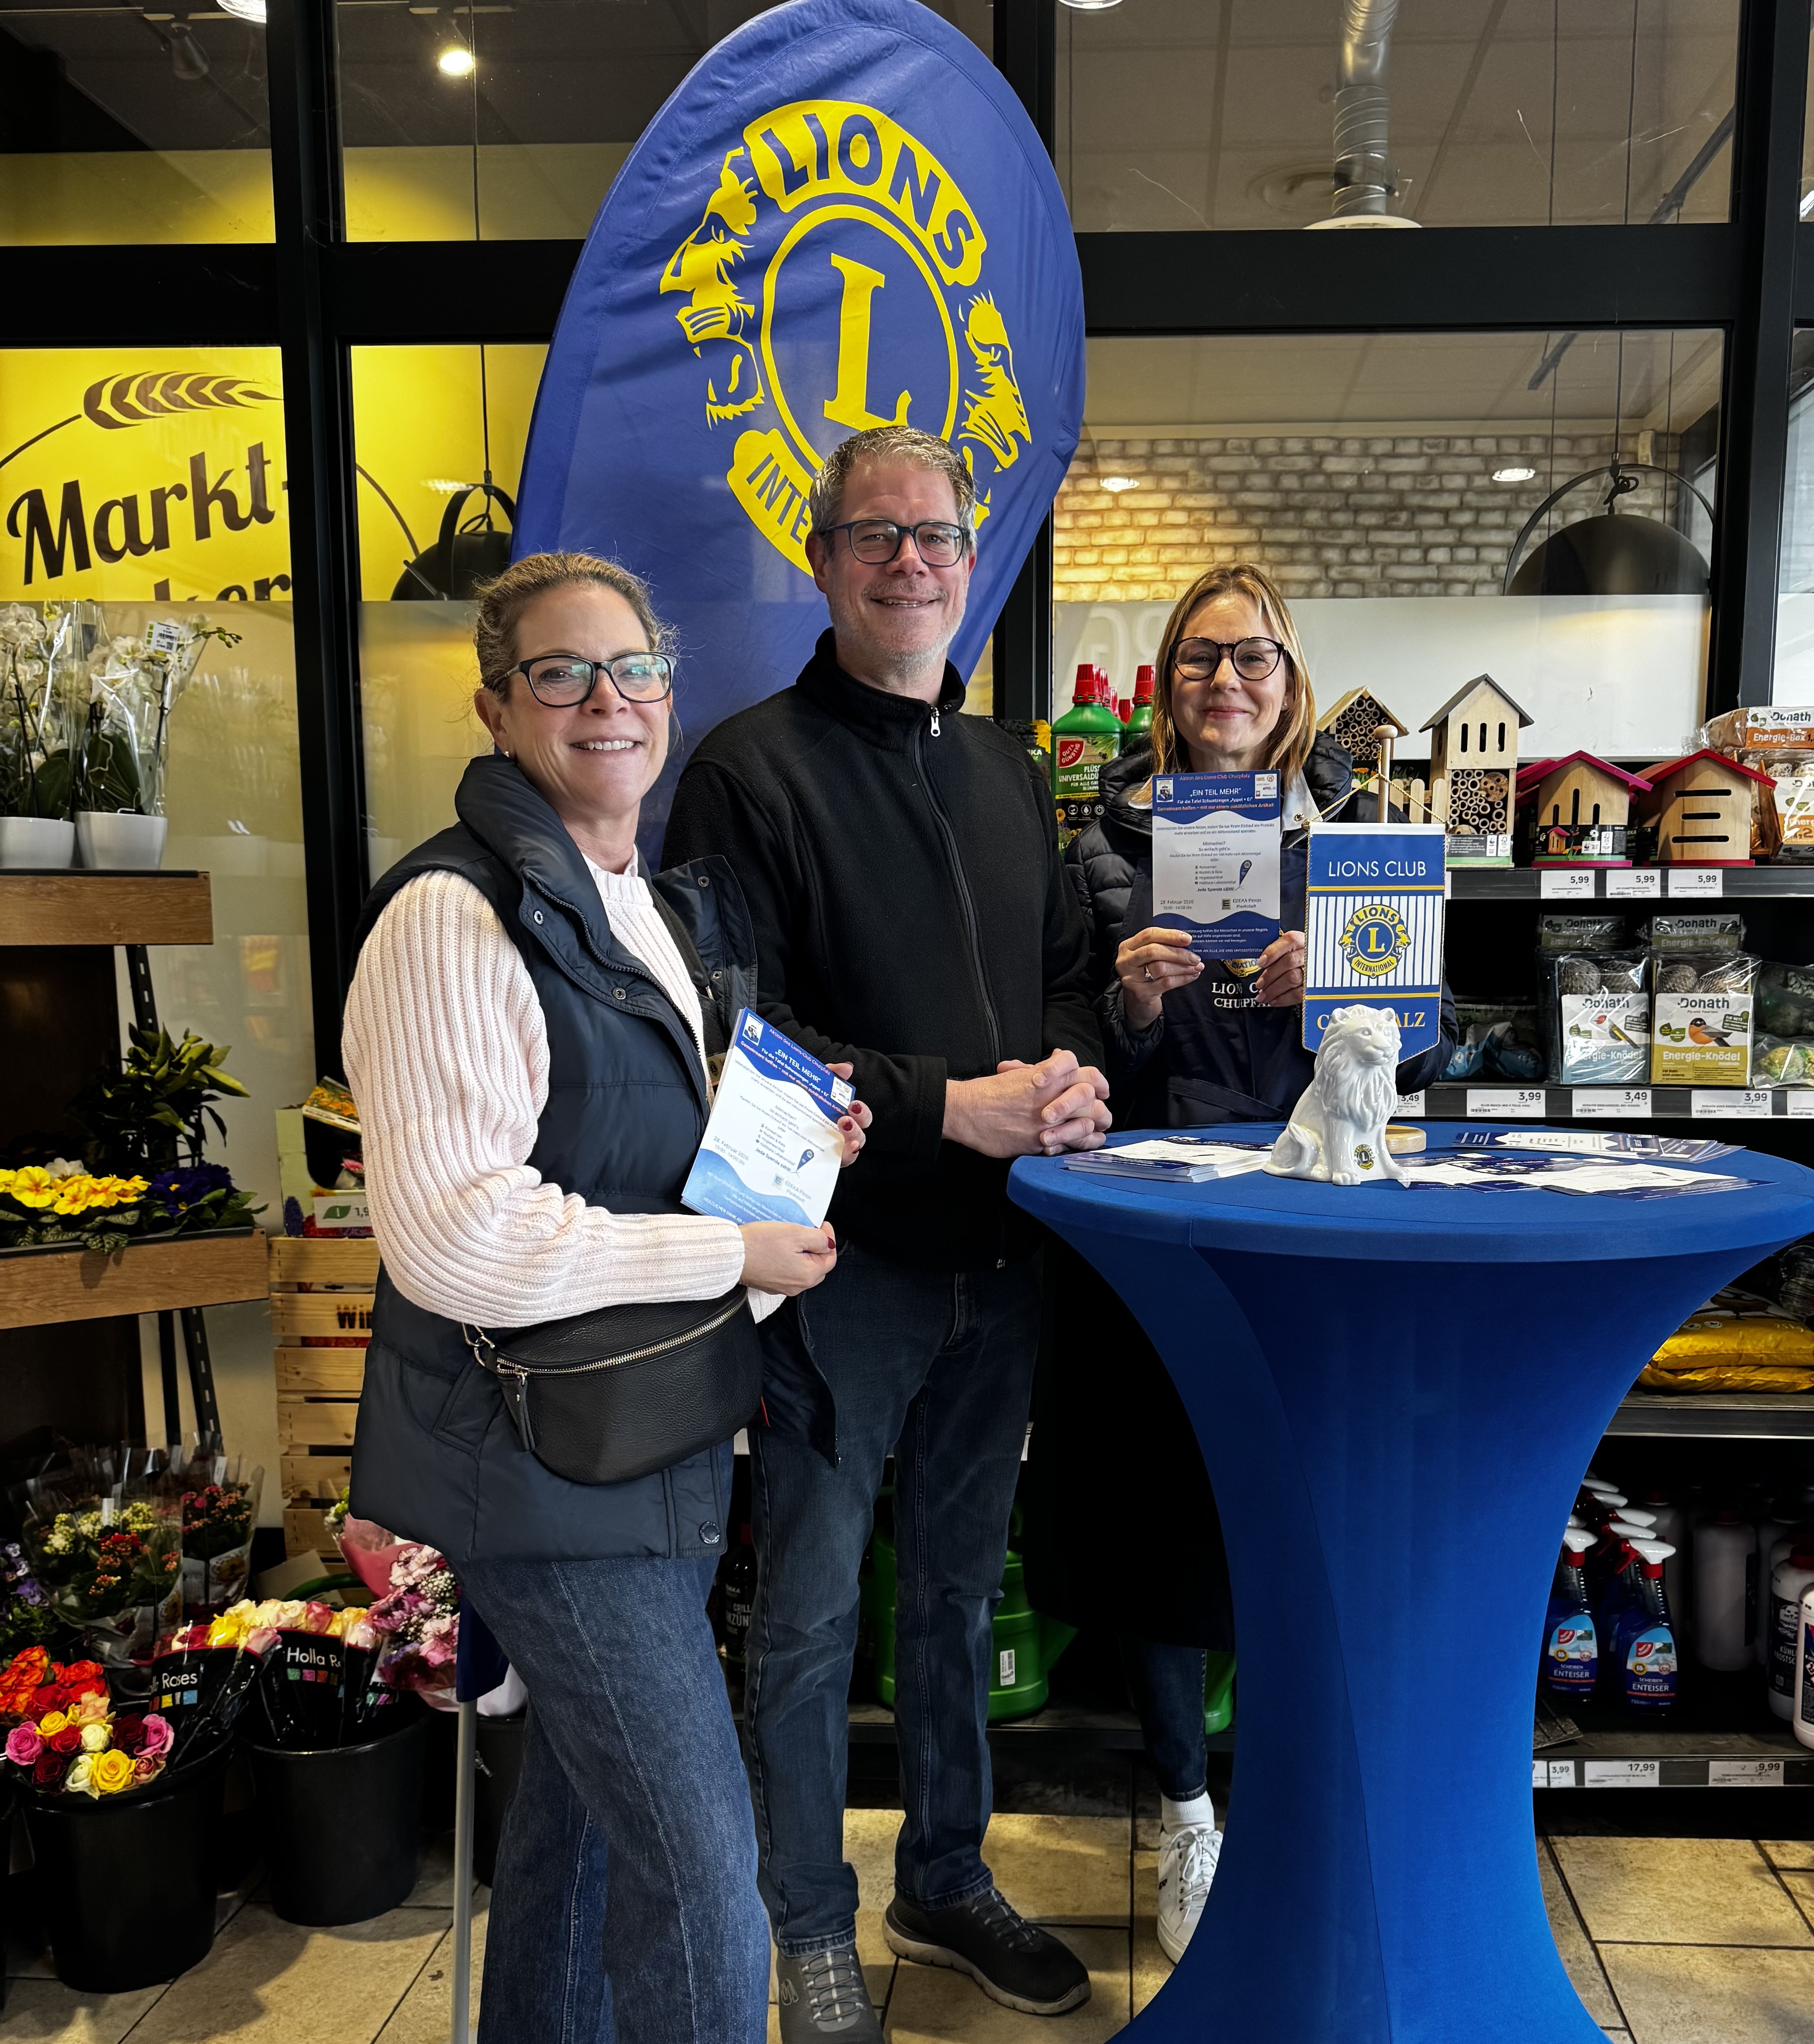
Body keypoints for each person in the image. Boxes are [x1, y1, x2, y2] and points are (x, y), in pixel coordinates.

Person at [341, 552, 872, 2044]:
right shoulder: (454, 920)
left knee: (582, 1844)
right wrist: (729, 1256)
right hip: (541, 1475)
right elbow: (455, 1238)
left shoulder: (631, 898)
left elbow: (637, 1149)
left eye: (630, 668)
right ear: (495, 707)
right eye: (561, 674)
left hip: (638, 1442)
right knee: (706, 1873)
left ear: (667, 688)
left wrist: (786, 1146)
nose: (606, 701)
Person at [663, 424, 1111, 2040]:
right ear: (822, 559)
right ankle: (806, 1919)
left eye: (934, 537)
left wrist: (1065, 1079)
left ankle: (945, 1872)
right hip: (837, 1274)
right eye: (876, 538)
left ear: (968, 559)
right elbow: (740, 1033)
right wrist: (950, 1105)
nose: (910, 562)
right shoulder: (745, 769)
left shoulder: (1005, 769)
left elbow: (1067, 964)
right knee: (803, 1613)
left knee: (949, 1589)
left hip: (1005, 1262)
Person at [1024, 561, 1457, 1969]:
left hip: (1310, 1224)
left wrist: (1345, 1004)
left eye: (1253, 659)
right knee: (1159, 1524)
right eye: (1200, 659)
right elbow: (1077, 1042)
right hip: (1157, 1228)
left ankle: (1287, 1804)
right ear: (1164, 683)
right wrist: (1130, 1004)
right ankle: (1189, 1809)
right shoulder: (1099, 841)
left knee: (1289, 1516)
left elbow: (1428, 1035)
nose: (1227, 683)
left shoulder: (1358, 832)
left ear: (1292, 682)